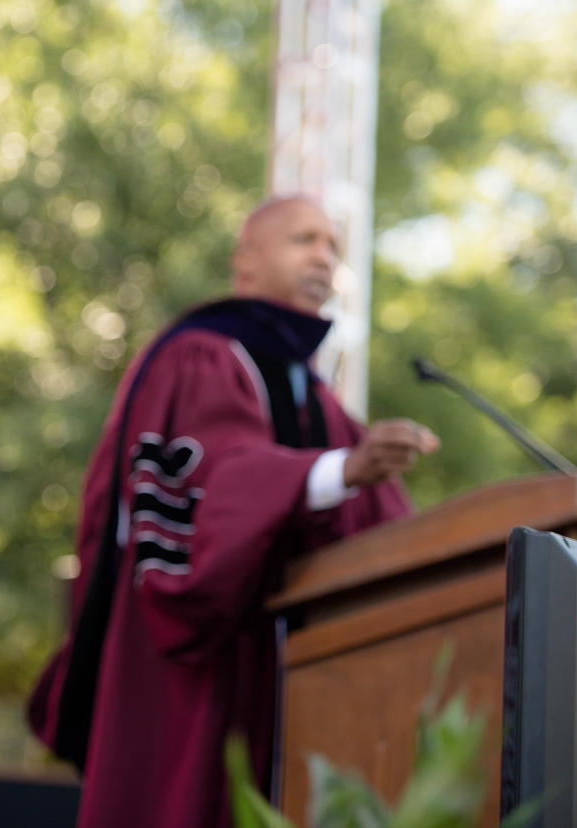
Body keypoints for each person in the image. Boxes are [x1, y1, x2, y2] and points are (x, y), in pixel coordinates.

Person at [26, 195, 439, 828]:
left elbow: (387, 527)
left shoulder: (318, 399)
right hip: (203, 672)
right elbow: (218, 479)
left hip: (291, 679)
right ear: (246, 261)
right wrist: (336, 471)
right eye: (305, 240)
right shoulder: (198, 357)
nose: (324, 260)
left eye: (332, 247)